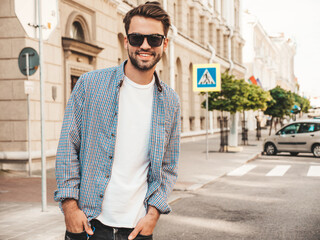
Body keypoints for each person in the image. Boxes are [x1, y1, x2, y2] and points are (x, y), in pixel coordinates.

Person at [54, 2, 181, 240]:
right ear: (126, 41)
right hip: (89, 225)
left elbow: (168, 165)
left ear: (164, 43)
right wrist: (69, 207)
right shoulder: (90, 85)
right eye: (136, 38)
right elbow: (68, 146)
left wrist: (154, 214)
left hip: (138, 229)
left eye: (154, 39)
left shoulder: (170, 101)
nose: (145, 45)